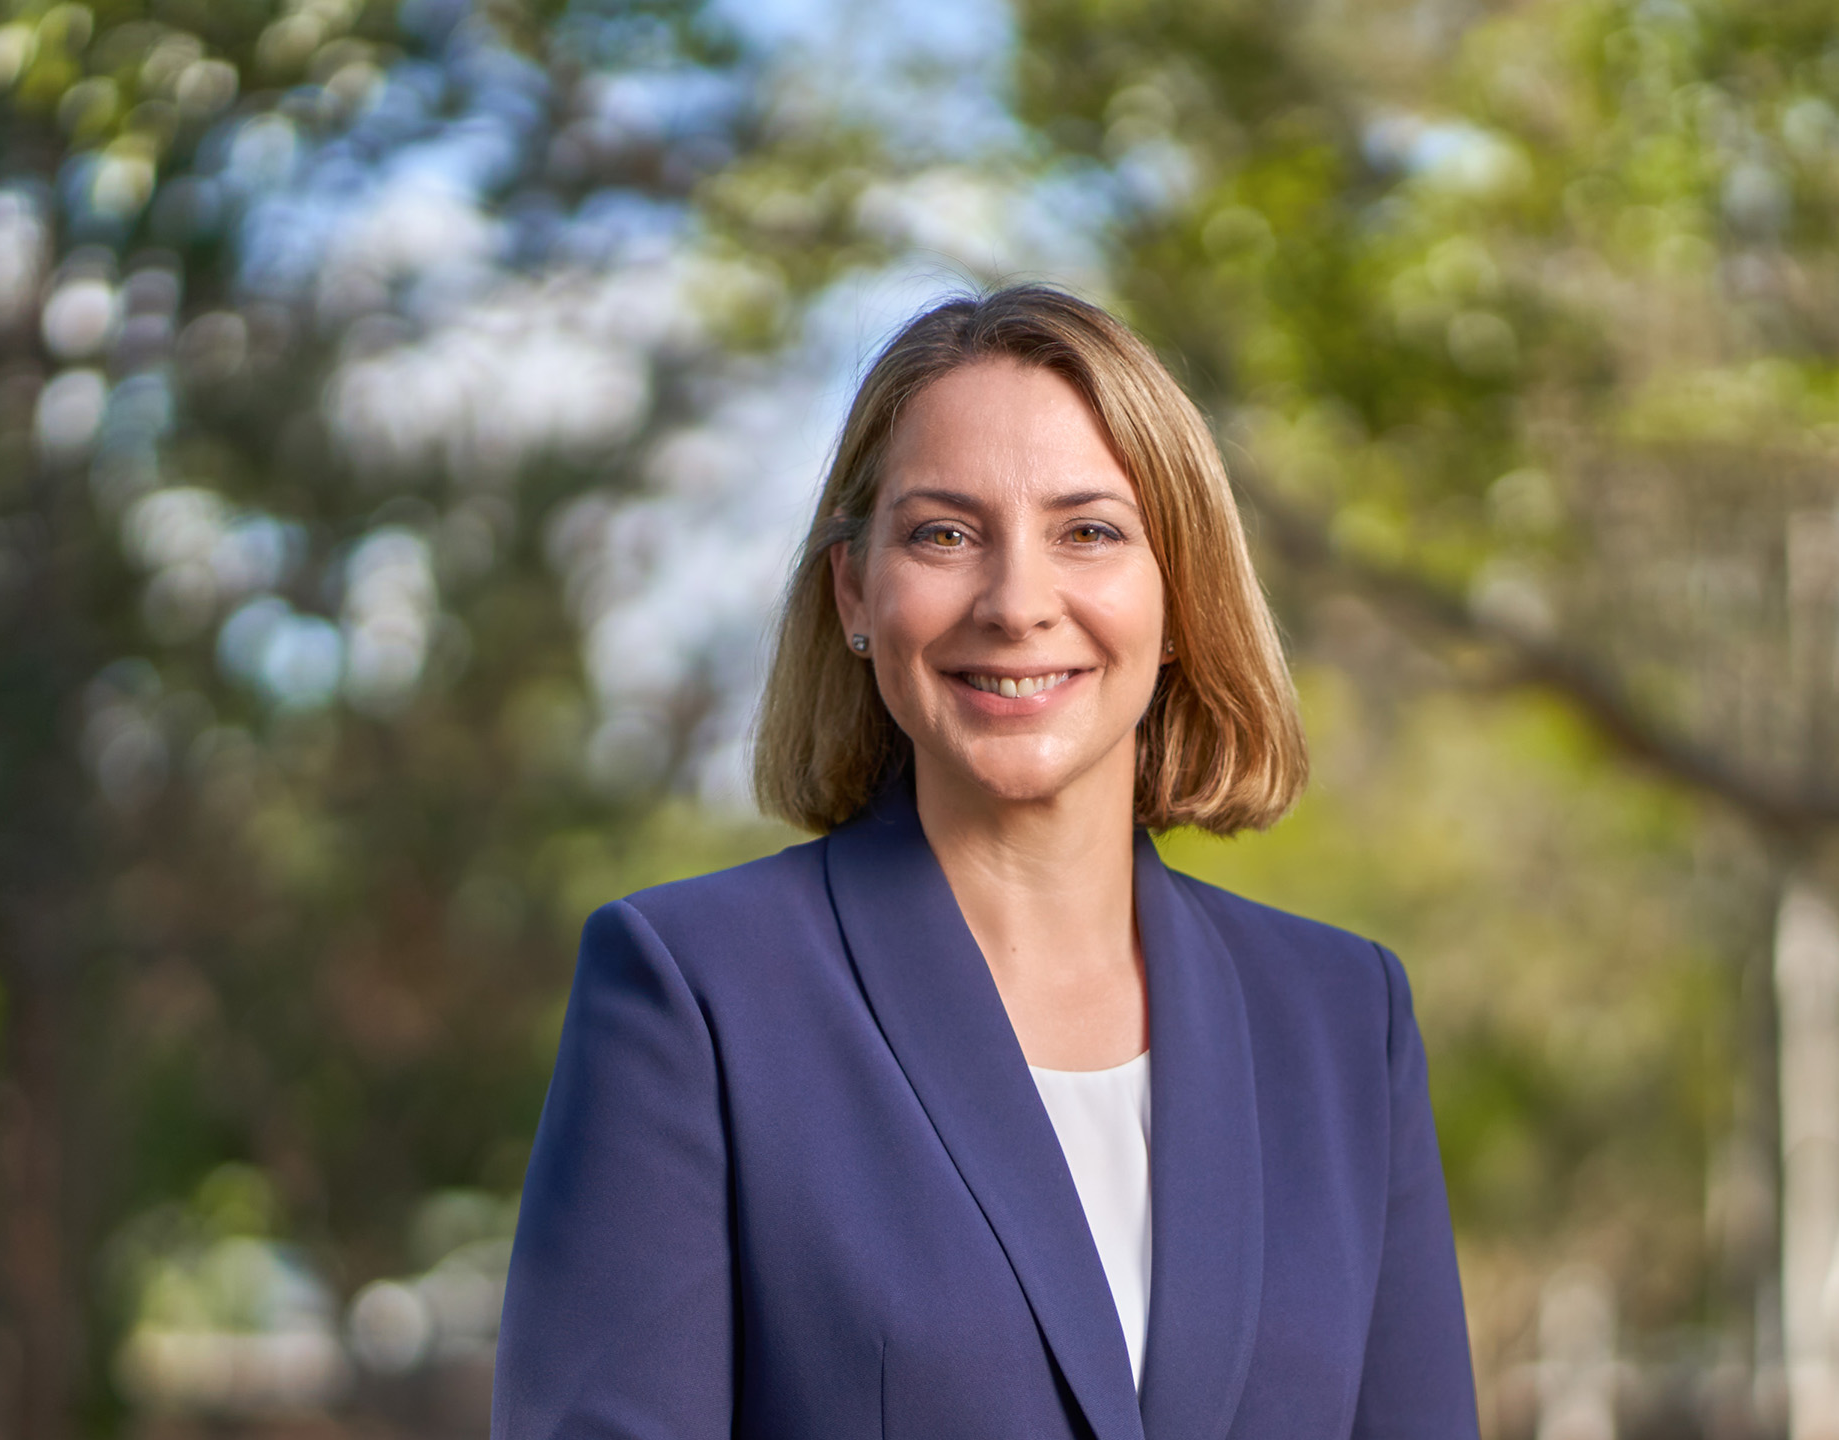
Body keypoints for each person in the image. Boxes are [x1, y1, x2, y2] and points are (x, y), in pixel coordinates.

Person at [491, 284, 1479, 1439]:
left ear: (1180, 597)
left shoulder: (1342, 1019)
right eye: (944, 534)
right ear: (856, 592)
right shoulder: (692, 993)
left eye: (1090, 532)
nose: (1017, 603)